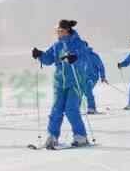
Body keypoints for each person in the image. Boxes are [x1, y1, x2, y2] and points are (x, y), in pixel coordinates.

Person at [32, 19, 90, 149]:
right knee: (56, 109)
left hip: (75, 81)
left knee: (71, 109)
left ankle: (81, 136)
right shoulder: (57, 45)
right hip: (59, 83)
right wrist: (40, 55)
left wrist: (75, 58)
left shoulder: (79, 44)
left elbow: (84, 58)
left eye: (61, 31)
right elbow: (48, 59)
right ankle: (52, 136)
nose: (59, 33)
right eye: (57, 31)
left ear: (68, 31)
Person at [82, 42, 107, 114]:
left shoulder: (93, 56)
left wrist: (103, 76)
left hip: (92, 77)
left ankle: (92, 108)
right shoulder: (79, 56)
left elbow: (100, 66)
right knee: (83, 92)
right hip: (82, 78)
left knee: (88, 90)